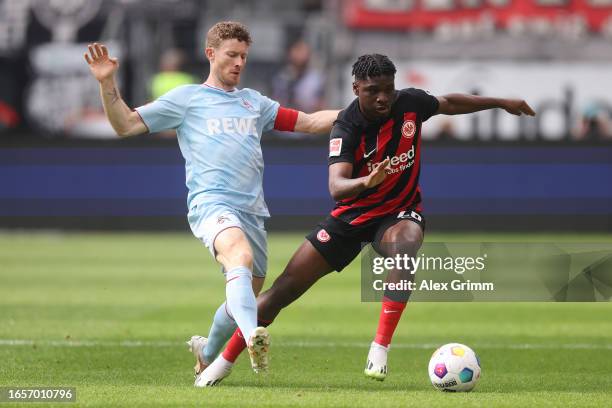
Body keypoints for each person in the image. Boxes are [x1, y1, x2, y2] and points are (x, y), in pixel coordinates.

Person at [200, 53, 535, 386]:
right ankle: (223, 362)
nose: (383, 98)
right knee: (282, 291)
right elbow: (336, 186)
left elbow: (449, 102)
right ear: (356, 88)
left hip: (398, 212)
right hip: (351, 217)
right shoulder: (346, 126)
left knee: (405, 246)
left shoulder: (410, 104)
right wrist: (366, 182)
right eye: (373, 90)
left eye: (388, 89)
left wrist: (502, 101)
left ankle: (380, 347)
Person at [83, 21, 339, 387]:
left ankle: (206, 354)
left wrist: (360, 114)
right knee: (239, 256)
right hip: (211, 204)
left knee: (246, 293)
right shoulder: (187, 99)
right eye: (231, 55)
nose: (238, 62)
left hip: (252, 211)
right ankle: (254, 338)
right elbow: (125, 125)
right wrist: (107, 82)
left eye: (244, 57)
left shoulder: (255, 102)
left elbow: (312, 121)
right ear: (211, 54)